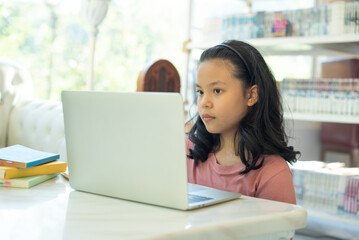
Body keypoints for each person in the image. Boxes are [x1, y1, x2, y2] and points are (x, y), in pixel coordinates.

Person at [186, 40, 300, 204]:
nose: (204, 102)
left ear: (251, 95)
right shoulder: (187, 152)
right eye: (200, 92)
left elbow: (279, 230)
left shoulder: (272, 173)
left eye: (217, 91)